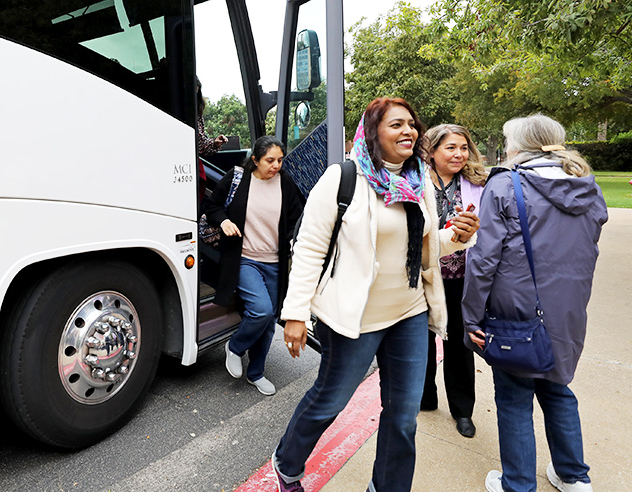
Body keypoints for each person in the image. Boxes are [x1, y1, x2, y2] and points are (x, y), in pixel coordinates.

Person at [272, 97, 480, 492]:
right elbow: (311, 248)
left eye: (412, 124)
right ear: (373, 132)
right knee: (329, 401)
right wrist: (296, 313)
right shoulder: (343, 177)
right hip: (355, 318)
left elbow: (418, 249)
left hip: (410, 313)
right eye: (396, 124)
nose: (408, 131)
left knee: (403, 418)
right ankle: (287, 462)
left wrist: (456, 237)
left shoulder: (419, 181)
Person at [463, 114, 608, 492]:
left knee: (513, 398)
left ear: (519, 146)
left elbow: (483, 260)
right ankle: (574, 477)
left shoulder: (506, 184)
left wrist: (470, 317)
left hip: (517, 309)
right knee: (557, 388)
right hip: (569, 309)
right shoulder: (586, 184)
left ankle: (518, 484)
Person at [201, 136, 304, 396]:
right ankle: (235, 347)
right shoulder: (237, 178)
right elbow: (211, 205)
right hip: (245, 259)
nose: (276, 166)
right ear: (255, 160)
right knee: (260, 310)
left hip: (275, 263)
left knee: (269, 321)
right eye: (270, 160)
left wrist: (293, 238)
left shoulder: (286, 183)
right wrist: (223, 221)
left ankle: (256, 373)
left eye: (280, 160)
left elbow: (296, 218)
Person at [419, 124, 488, 438]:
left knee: (460, 345)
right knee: (421, 343)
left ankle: (463, 411)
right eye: (451, 148)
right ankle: (425, 397)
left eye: (463, 147)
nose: (459, 154)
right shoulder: (415, 180)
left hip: (462, 278)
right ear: (432, 151)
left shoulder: (478, 183)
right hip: (422, 276)